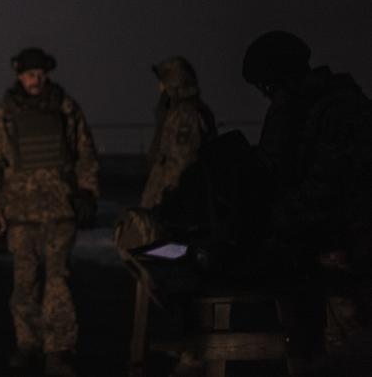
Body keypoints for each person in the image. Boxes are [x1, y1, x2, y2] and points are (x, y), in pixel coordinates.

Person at [242, 30, 372, 375]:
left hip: (349, 255)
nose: (269, 96)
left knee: (350, 350)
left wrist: (276, 226)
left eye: (269, 87)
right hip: (322, 254)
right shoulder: (302, 110)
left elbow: (323, 190)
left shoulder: (337, 110)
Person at [0, 47, 99, 376]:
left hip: (60, 210)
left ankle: (58, 350)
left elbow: (85, 151)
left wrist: (88, 192)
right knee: (24, 283)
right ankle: (28, 344)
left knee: (58, 279)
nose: (37, 79)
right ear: (20, 75)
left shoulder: (64, 106)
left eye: (41, 73)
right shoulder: (3, 113)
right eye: (31, 73)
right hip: (20, 213)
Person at [141, 56, 217, 209]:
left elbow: (180, 162)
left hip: (172, 204)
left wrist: (165, 200)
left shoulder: (185, 114)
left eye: (163, 82)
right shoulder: (174, 112)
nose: (160, 87)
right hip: (168, 201)